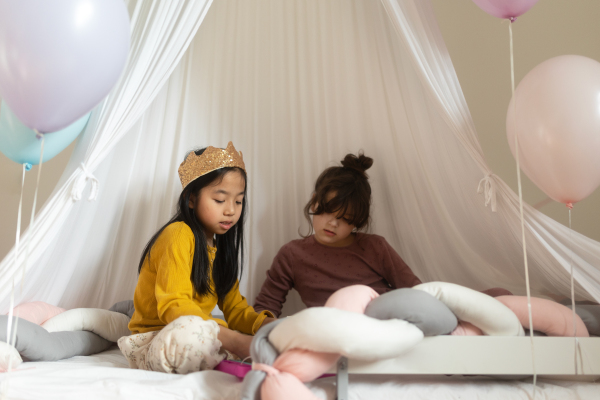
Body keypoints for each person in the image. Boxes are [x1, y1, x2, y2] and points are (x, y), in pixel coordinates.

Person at [118, 142, 274, 374]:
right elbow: (174, 307)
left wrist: (269, 327)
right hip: (156, 340)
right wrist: (235, 340)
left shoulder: (221, 247)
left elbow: (236, 309)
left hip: (201, 334)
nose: (231, 210)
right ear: (191, 199)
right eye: (220, 200)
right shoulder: (178, 234)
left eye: (238, 201)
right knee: (194, 336)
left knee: (265, 337)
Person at [253, 152, 422, 317]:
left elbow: (416, 291)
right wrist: (270, 331)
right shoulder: (292, 255)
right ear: (314, 202)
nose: (333, 223)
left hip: (385, 323)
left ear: (357, 221)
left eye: (346, 218)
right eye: (327, 211)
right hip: (333, 333)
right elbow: (266, 306)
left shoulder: (375, 246)